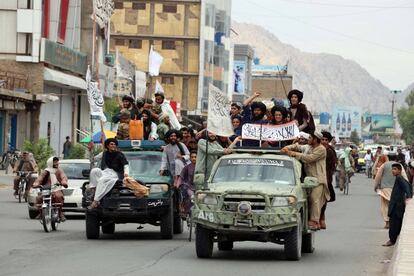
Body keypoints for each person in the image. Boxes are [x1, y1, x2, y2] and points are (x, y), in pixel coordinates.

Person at [282, 131, 329, 230]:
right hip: (308, 179)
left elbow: (309, 158)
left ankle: (314, 221)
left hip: (318, 179)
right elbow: (298, 146)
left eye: (311, 138)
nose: (309, 139)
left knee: (314, 199)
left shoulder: (321, 149)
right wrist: (288, 148)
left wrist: (293, 154)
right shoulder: (308, 147)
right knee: (308, 200)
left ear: (316, 139)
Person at [89, 138, 129, 208]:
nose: (113, 145)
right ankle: (95, 191)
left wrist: (126, 173)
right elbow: (92, 159)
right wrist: (90, 150)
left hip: (115, 174)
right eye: (111, 144)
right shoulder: (104, 153)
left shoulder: (120, 154)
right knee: (94, 171)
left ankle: (95, 201)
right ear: (107, 145)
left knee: (102, 180)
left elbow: (126, 164)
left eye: (114, 144)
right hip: (105, 172)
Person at [382, 163, 412, 247]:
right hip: (397, 205)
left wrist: (409, 197)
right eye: (392, 169)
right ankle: (393, 240)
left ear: (399, 170)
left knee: (394, 224)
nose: (393, 171)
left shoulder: (399, 178)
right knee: (396, 223)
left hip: (397, 205)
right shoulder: (399, 178)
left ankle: (392, 240)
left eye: (395, 169)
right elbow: (409, 186)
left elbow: (407, 187)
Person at [32, 157, 68, 221]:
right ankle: (41, 213)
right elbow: (40, 178)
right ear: (50, 162)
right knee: (39, 198)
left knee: (59, 197)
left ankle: (60, 213)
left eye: (57, 161)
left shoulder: (59, 170)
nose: (57, 163)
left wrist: (64, 182)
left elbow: (63, 177)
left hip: (56, 188)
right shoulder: (46, 171)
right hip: (46, 189)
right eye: (55, 162)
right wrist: (36, 183)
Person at [374, 161, 409, 229]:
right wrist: (407, 189)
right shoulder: (399, 165)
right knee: (395, 206)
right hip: (396, 189)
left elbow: (378, 176)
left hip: (385, 189)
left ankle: (387, 222)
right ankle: (394, 222)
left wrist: (375, 186)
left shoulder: (384, 165)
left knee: (385, 205)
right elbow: (404, 177)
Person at [320, 131, 337, 229]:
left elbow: (332, 166)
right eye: (322, 139)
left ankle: (322, 218)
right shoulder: (315, 148)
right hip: (314, 176)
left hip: (326, 178)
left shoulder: (330, 151)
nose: (324, 141)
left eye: (326, 140)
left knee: (324, 199)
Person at [176, 151, 197, 216]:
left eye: (195, 157)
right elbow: (181, 177)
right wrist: (177, 184)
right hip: (190, 187)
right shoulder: (187, 167)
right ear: (190, 158)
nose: (194, 158)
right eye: (192, 157)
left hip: (200, 188)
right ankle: (186, 211)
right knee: (191, 197)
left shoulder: (201, 166)